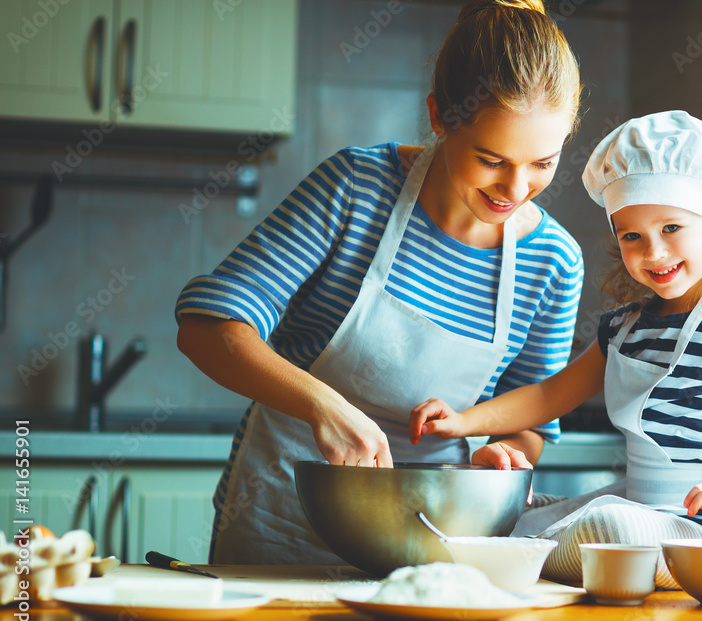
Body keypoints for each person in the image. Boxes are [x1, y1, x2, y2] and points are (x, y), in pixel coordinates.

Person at [174, 0, 584, 565]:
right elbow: (207, 327)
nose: (514, 188)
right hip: (281, 519)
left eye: (543, 162)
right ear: (440, 116)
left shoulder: (555, 260)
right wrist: (322, 405)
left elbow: (533, 415)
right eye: (491, 159)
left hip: (435, 540)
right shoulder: (356, 189)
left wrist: (505, 454)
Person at [409, 110, 702, 587]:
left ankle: (508, 557)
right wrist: (464, 421)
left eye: (671, 228)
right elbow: (548, 398)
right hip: (643, 514)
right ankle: (510, 549)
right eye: (632, 236)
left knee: (609, 528)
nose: (654, 253)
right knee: (504, 504)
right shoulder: (624, 328)